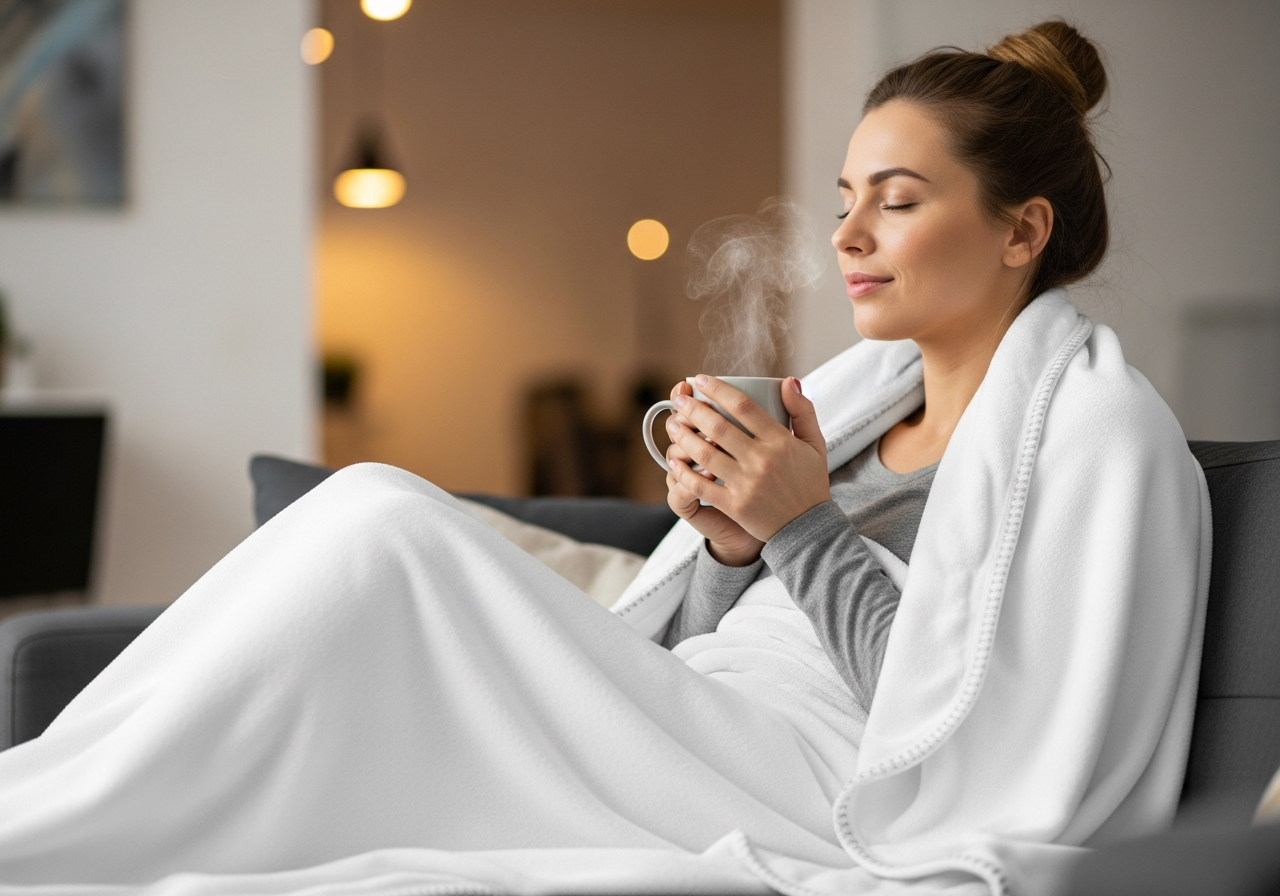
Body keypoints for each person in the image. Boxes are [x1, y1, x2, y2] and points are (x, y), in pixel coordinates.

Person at [0, 21, 1208, 896]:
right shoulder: (850, 407)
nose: (845, 234)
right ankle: (43, 808)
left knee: (377, 517)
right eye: (843, 196)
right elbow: (711, 637)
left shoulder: (1098, 441)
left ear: (1019, 229)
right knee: (368, 535)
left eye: (895, 200)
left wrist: (798, 526)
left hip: (820, 787)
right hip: (703, 723)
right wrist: (734, 544)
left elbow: (966, 745)